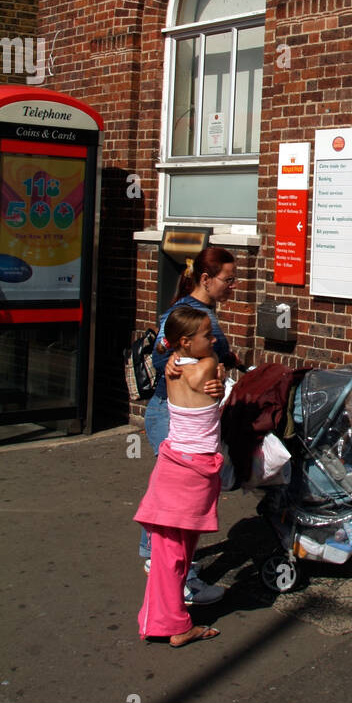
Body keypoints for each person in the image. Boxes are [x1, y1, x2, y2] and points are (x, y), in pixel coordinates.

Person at [140, 245, 242, 604]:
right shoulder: (198, 318)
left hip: (171, 414)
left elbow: (170, 353)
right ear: (205, 279)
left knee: (170, 505)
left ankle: (165, 571)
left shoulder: (191, 312)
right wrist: (176, 364)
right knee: (178, 509)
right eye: (228, 280)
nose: (233, 286)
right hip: (174, 417)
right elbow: (162, 355)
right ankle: (178, 581)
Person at [135, 306, 225, 645]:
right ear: (186, 341)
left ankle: (162, 619)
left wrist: (168, 352)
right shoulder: (206, 367)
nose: (213, 338)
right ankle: (174, 625)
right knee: (176, 553)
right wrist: (175, 351)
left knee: (170, 553)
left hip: (173, 465)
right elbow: (214, 357)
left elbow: (169, 351)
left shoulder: (174, 370)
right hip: (194, 471)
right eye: (206, 334)